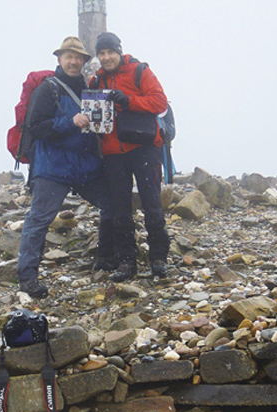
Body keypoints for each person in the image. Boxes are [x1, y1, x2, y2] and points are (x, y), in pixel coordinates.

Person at [17, 36, 117, 299]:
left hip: (85, 167)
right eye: (68, 57)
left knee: (113, 204)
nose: (74, 62)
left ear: (84, 62)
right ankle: (27, 278)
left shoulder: (88, 90)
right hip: (53, 168)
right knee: (39, 220)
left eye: (78, 58)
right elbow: (37, 128)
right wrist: (70, 122)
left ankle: (104, 260)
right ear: (59, 59)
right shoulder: (48, 89)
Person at [91, 32, 170, 280]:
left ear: (119, 51)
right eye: (101, 53)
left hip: (144, 147)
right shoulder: (96, 81)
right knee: (120, 210)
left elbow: (160, 102)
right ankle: (127, 262)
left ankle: (158, 258)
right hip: (113, 153)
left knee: (152, 204)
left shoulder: (139, 71)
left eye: (110, 52)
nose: (106, 57)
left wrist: (129, 101)